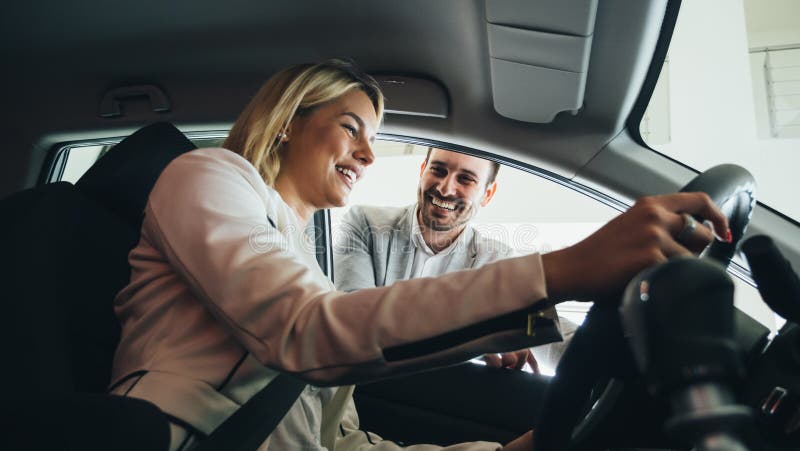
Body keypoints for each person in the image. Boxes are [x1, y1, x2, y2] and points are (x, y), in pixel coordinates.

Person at [109, 59, 730, 451]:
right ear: (288, 122)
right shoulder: (207, 175)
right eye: (351, 127)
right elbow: (306, 332)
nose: (369, 156)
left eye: (373, 138)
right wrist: (563, 271)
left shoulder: (300, 256)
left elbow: (346, 444)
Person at [333, 147, 578, 372]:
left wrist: (598, 358)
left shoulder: (497, 259)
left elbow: (551, 330)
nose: (445, 188)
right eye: (438, 170)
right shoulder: (363, 223)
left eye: (466, 179)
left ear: (487, 194)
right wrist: (479, 338)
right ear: (422, 171)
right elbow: (355, 321)